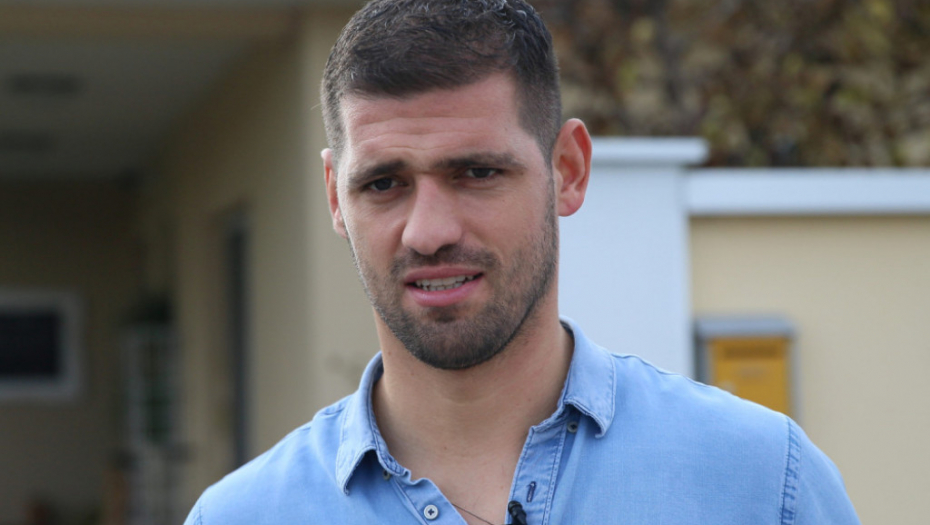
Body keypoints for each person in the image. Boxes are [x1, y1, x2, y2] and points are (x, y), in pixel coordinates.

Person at [184, 0, 860, 523]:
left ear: (568, 170)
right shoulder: (242, 515)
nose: (428, 232)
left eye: (477, 172)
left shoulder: (761, 482)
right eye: (384, 183)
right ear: (337, 197)